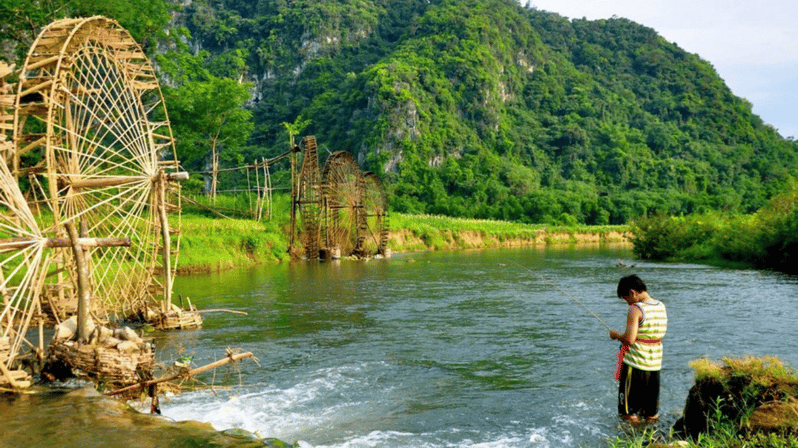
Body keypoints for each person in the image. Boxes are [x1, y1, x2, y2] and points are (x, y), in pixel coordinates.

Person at [609, 274, 667, 423]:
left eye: (626, 298)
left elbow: (630, 339)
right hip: (654, 366)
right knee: (651, 413)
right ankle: (652, 441)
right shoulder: (661, 306)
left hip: (635, 366)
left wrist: (616, 336)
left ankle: (633, 442)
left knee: (629, 413)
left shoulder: (636, 309)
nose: (627, 303)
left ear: (633, 293)